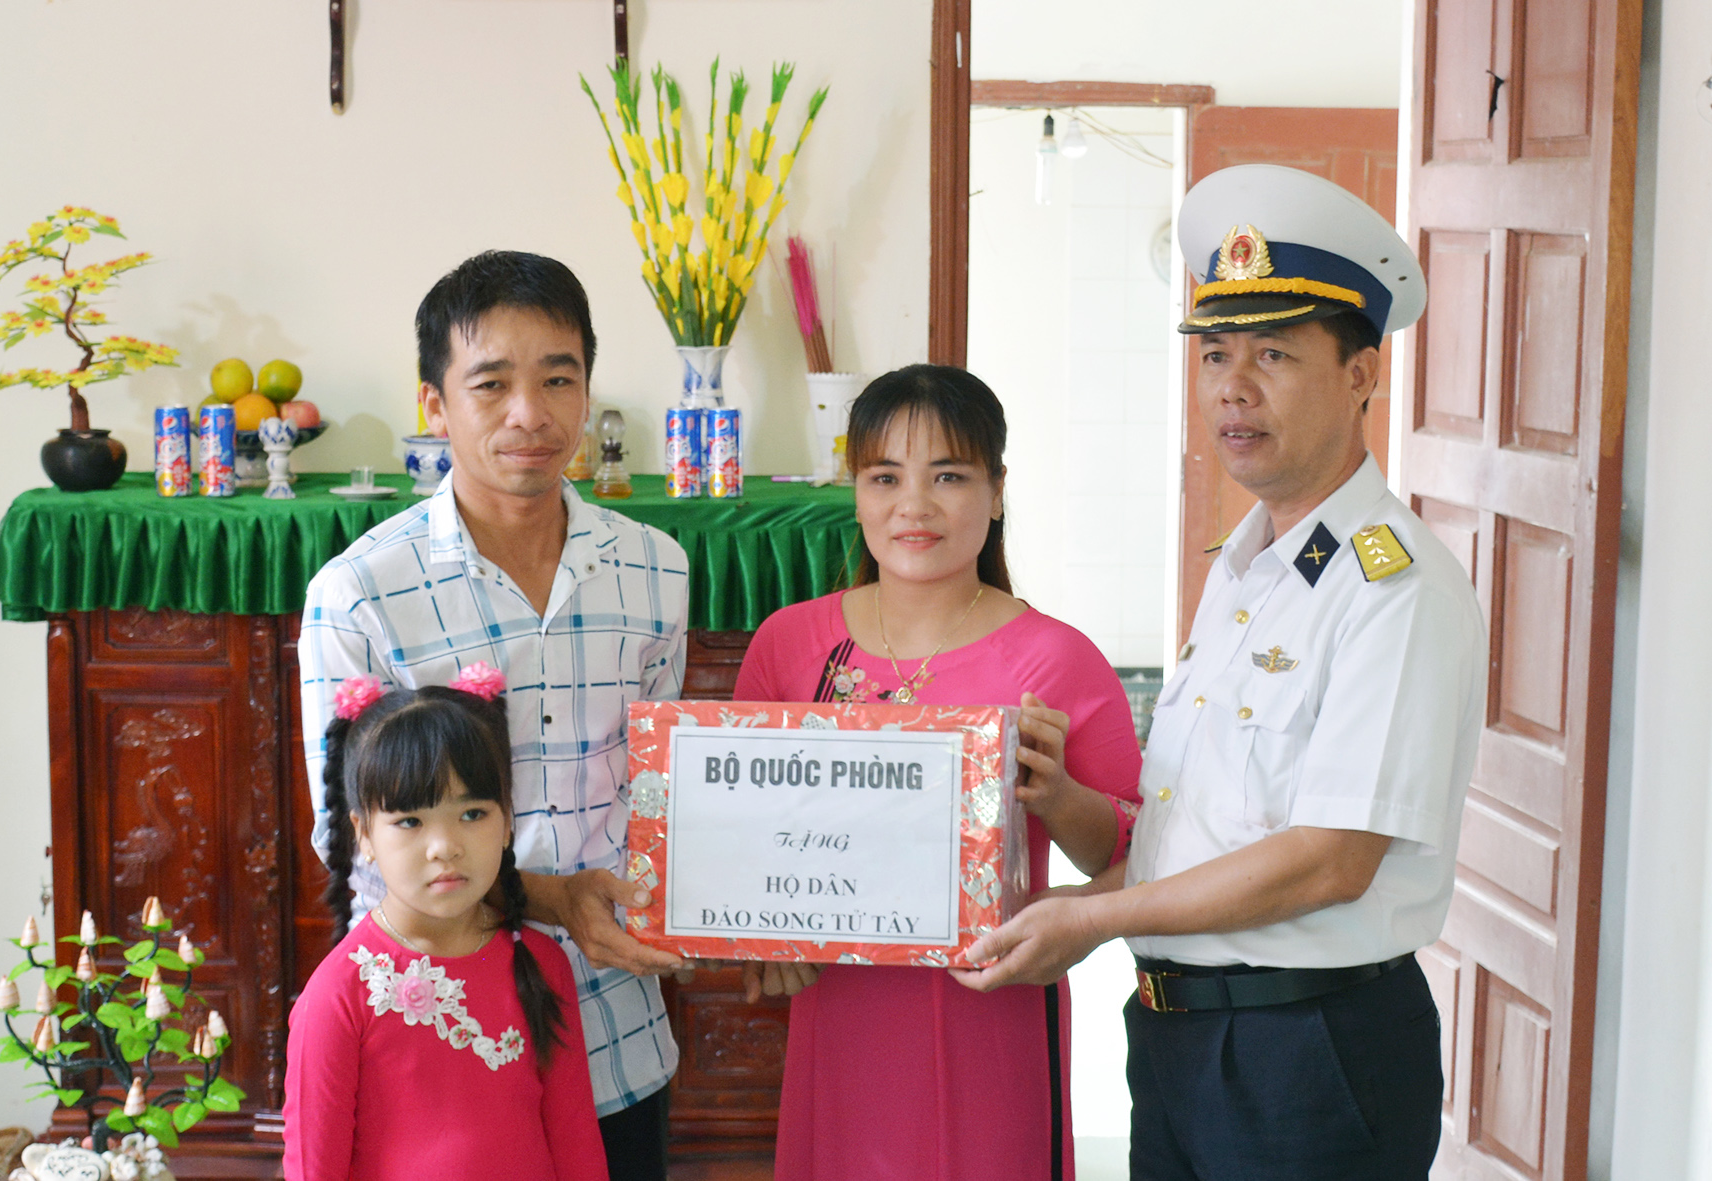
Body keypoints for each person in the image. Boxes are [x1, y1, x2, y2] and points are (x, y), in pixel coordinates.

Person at [953, 164, 1489, 1180]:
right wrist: (1066, 893)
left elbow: (1329, 859)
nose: (1232, 387)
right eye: (1213, 354)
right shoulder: (1246, 568)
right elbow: (1202, 837)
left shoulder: (1392, 587)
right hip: (1182, 1043)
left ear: (1361, 375)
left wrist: (1089, 917)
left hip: (1307, 1055)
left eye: (1273, 353)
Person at [298, 251, 689, 1181]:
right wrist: (550, 897)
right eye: (491, 384)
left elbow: (661, 788)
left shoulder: (657, 568)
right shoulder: (359, 594)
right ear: (434, 404)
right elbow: (347, 838)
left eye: (558, 378)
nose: (530, 413)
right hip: (442, 1061)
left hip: (617, 1025)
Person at [733, 364, 1145, 1181]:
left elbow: (1132, 855)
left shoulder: (1055, 658)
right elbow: (742, 832)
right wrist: (761, 936)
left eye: (948, 476)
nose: (913, 505)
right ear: (856, 492)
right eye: (885, 477)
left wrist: (1058, 794)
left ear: (997, 492)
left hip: (987, 1009)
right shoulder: (789, 642)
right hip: (838, 1012)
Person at [283, 668, 608, 1181]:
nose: (444, 847)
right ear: (363, 834)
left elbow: (577, 1148)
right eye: (410, 821)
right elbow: (314, 1169)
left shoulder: (543, 964)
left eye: (473, 814)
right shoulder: (338, 996)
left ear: (507, 820)